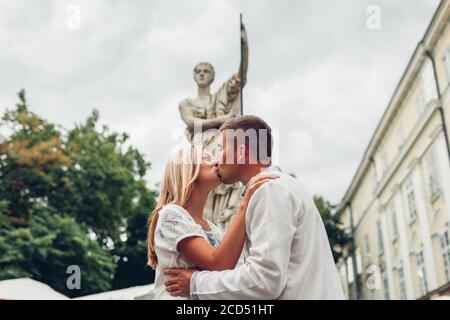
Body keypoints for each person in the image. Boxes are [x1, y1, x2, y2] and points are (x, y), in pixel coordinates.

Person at [164, 115, 346, 300]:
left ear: (241, 152)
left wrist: (195, 283)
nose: (217, 160)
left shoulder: (270, 190)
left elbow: (264, 280)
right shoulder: (280, 187)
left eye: (220, 149)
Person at [147, 145, 277, 299]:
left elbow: (225, 275)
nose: (216, 162)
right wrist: (246, 202)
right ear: (186, 169)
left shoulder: (213, 229)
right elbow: (218, 264)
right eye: (205, 158)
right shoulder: (171, 215)